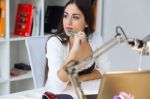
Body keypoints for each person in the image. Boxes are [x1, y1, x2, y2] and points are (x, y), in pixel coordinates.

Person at [45, 0, 110, 91]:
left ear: (86, 22)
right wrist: (74, 51)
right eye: (65, 16)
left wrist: (79, 79)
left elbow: (105, 70)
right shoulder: (54, 43)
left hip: (85, 91)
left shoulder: (95, 38)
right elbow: (57, 86)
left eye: (75, 17)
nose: (68, 22)